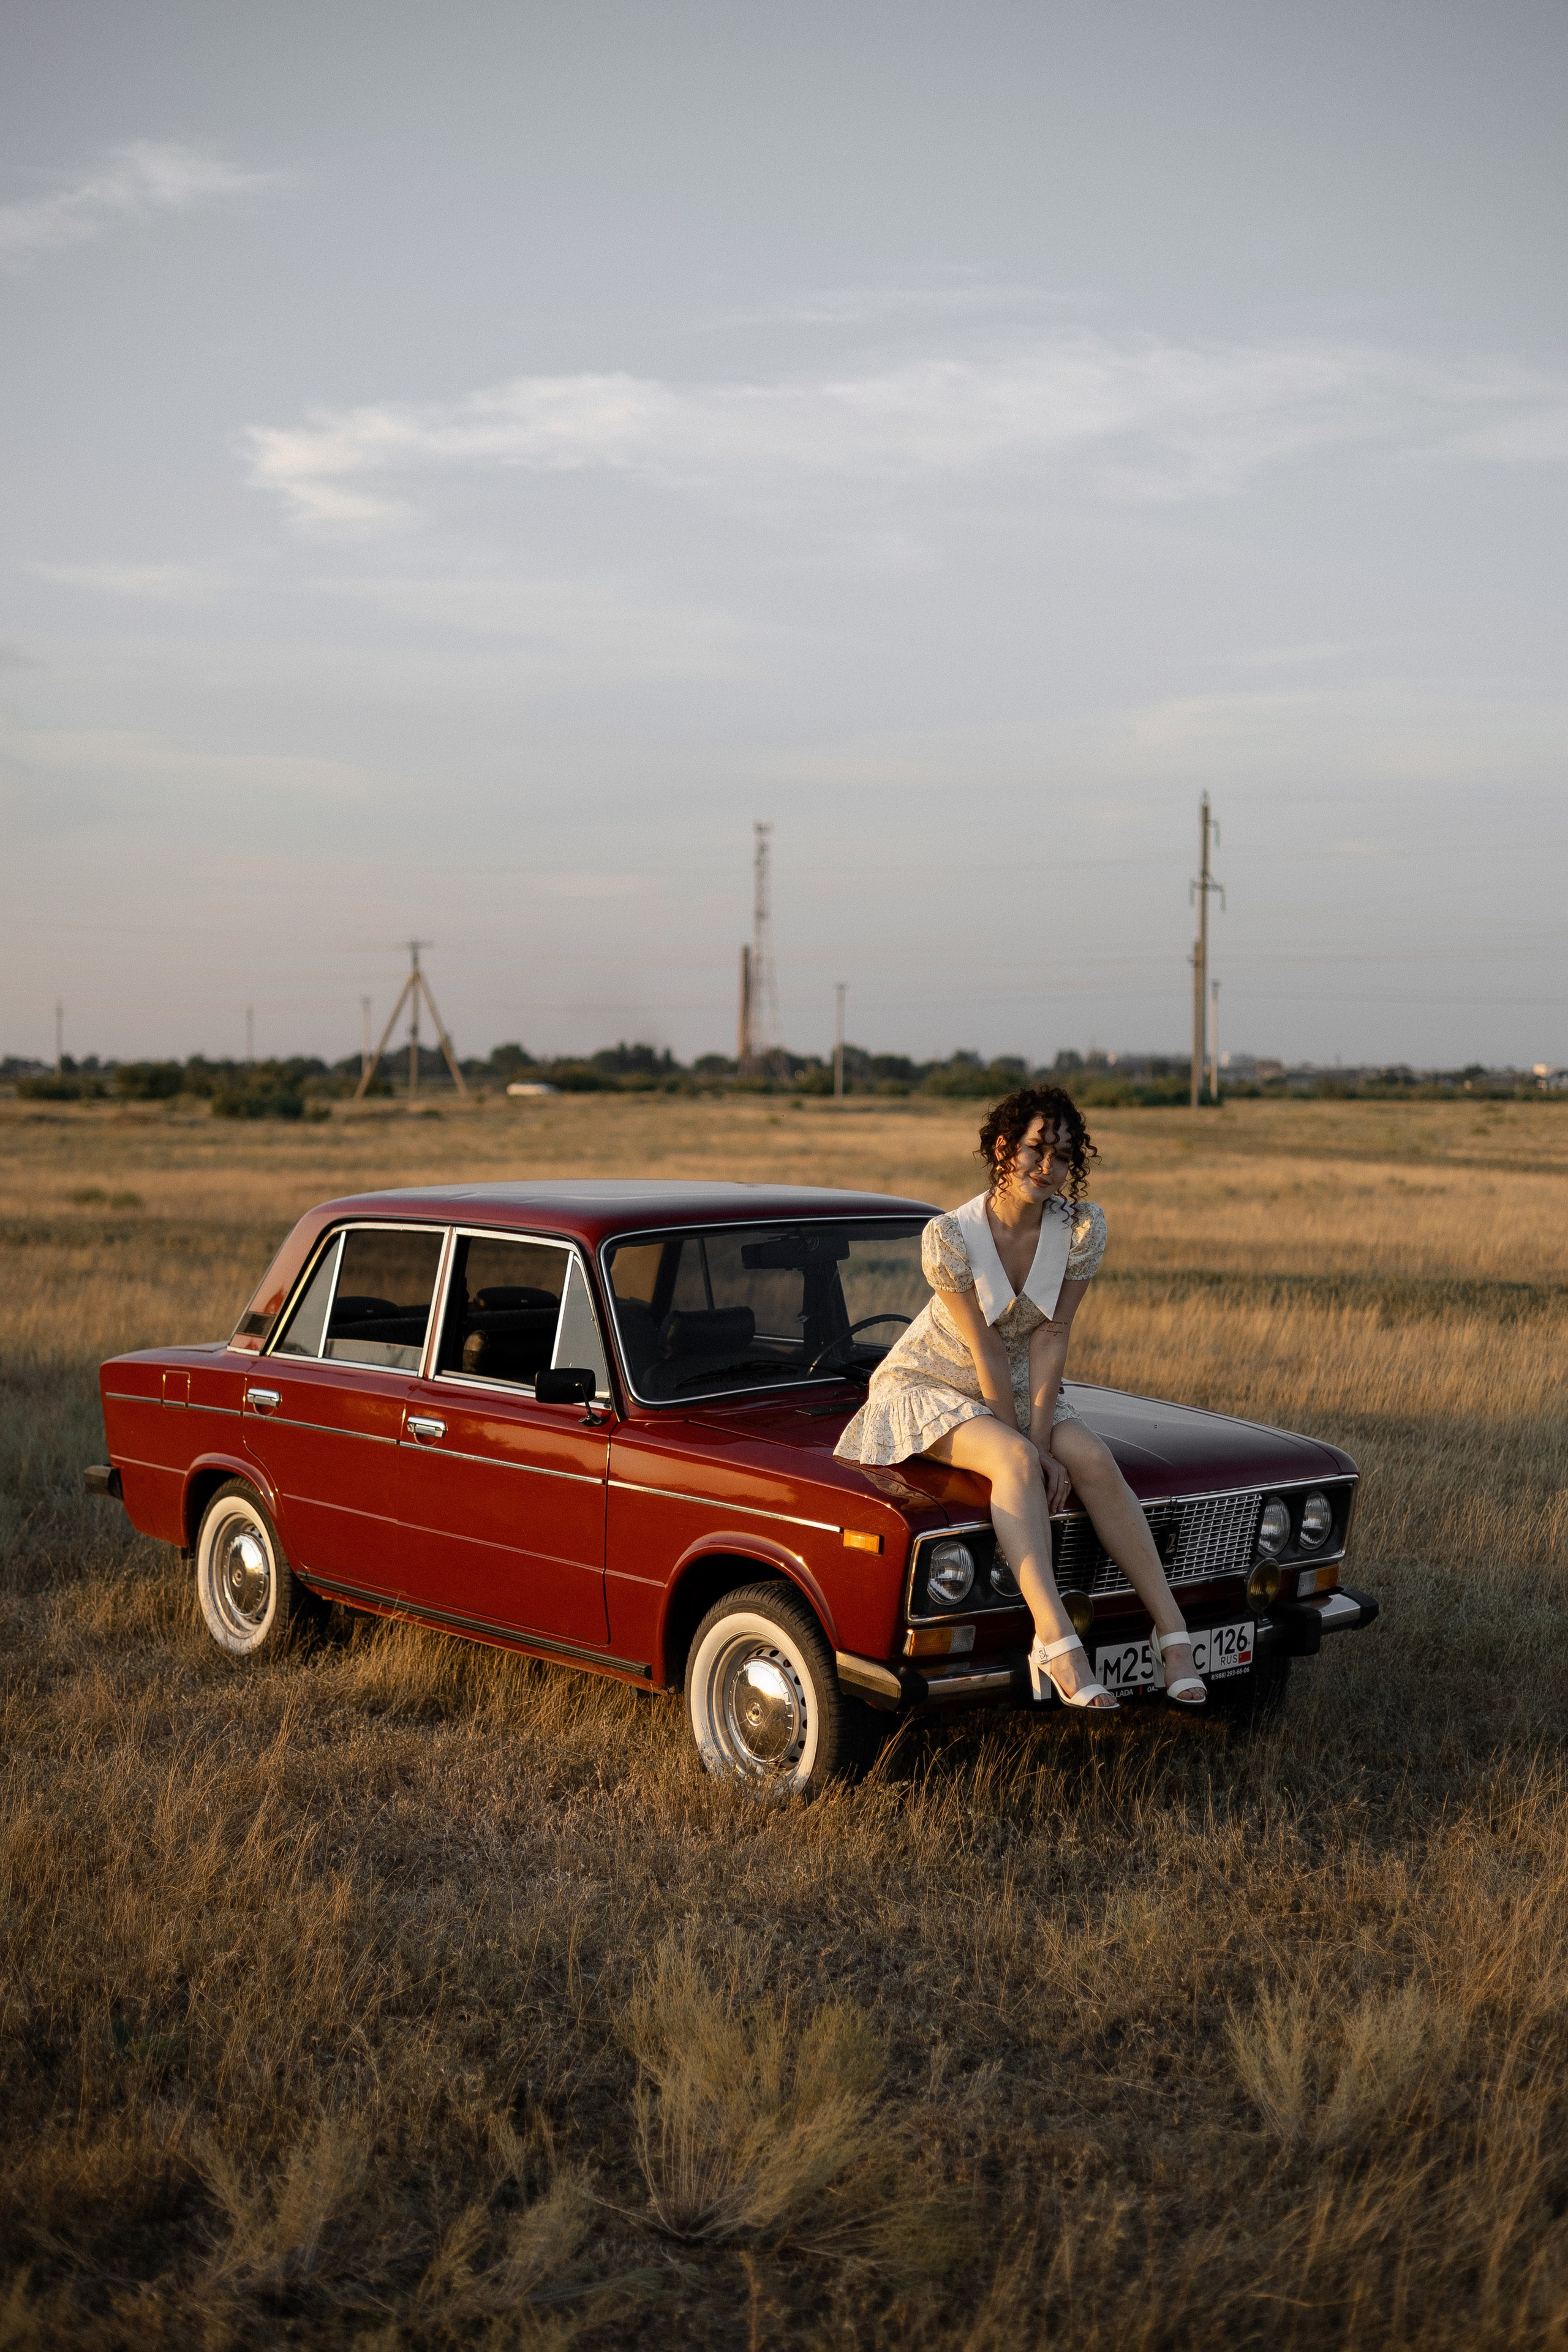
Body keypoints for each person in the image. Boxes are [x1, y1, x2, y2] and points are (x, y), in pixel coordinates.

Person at [835, 1085, 1205, 1712]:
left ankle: (1173, 1636)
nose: (1048, 1168)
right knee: (1012, 1463)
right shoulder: (951, 1234)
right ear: (1003, 1148)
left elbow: (1051, 1337)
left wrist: (1045, 1441)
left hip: (1016, 1379)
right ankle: (1056, 1641)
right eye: (1037, 1149)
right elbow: (981, 1349)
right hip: (931, 1381)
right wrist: (1031, 1454)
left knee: (1089, 1460)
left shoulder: (1080, 1229)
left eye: (1062, 1156)